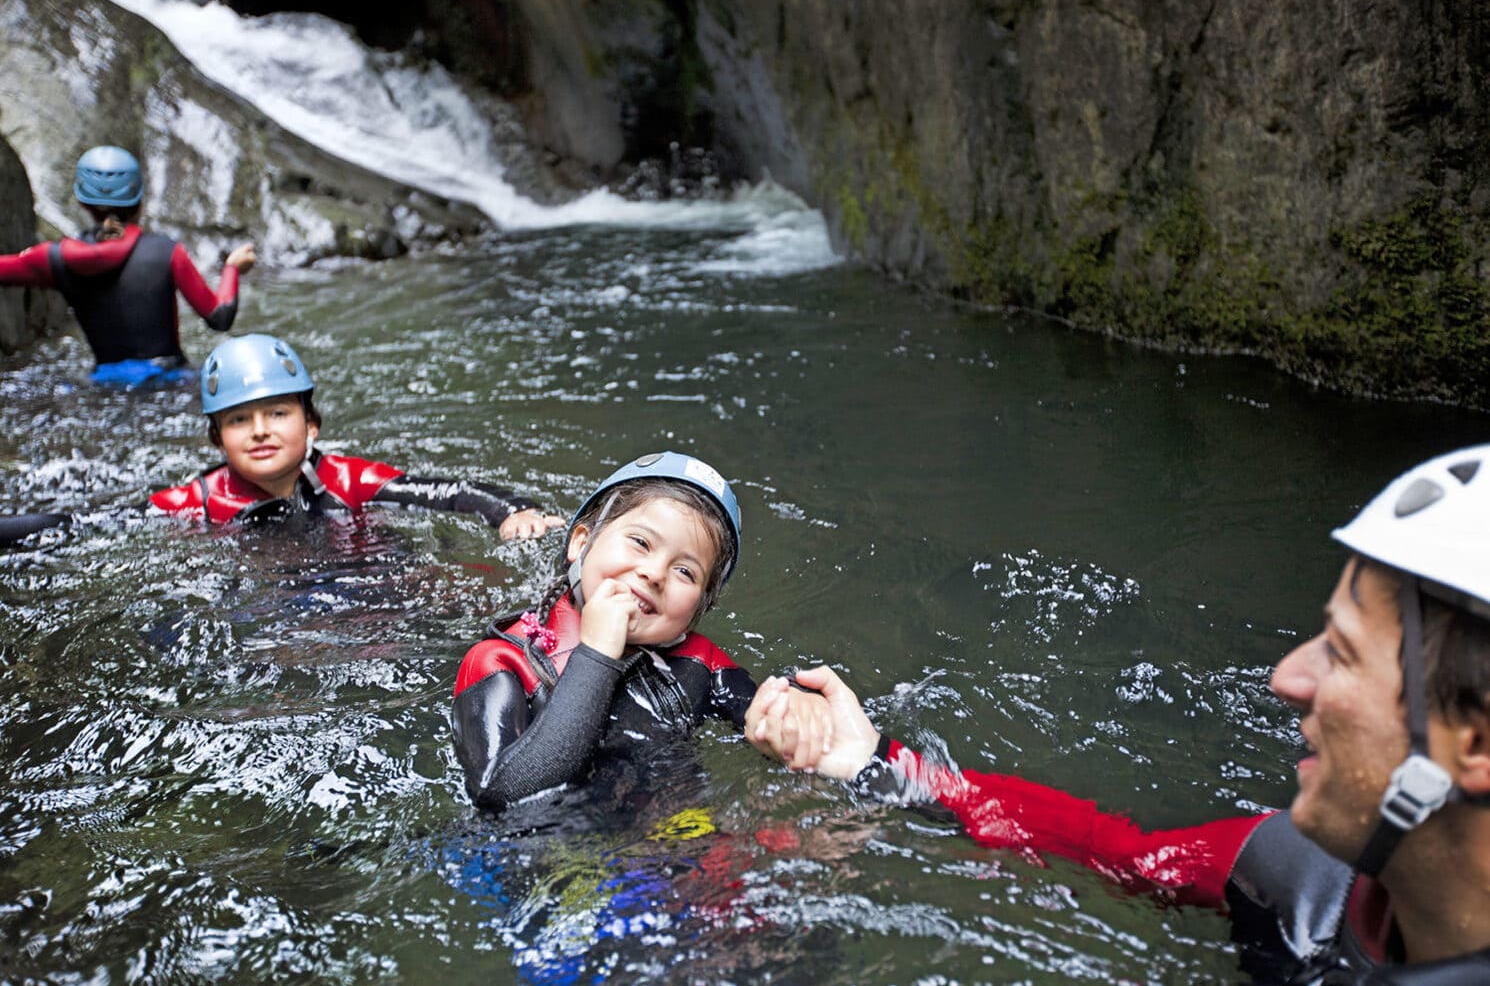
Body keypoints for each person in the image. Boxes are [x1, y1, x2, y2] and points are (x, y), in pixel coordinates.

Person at [748, 444, 1490, 984]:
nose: (1289, 676)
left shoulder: (1302, 884)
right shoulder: (1293, 873)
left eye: (1343, 652)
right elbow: (1119, 852)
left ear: (1476, 741)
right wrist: (876, 762)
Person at [451, 450, 831, 813]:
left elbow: (769, 717)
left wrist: (798, 709)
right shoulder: (503, 660)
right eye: (641, 542)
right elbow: (499, 793)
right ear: (581, 542)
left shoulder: (699, 663)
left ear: (699, 608)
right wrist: (597, 655)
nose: (654, 573)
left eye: (685, 571)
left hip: (672, 846)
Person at [143, 333, 562, 538]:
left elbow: (446, 492)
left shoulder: (350, 481)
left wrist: (513, 510)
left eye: (277, 413)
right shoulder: (195, 502)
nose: (259, 431)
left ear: (311, 425)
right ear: (217, 439)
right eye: (238, 420)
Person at [0, 145, 256, 385]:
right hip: (170, 382)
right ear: (140, 202)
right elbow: (219, 318)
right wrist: (232, 268)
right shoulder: (167, 252)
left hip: (104, 387)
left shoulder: (52, 259)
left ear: (81, 202)